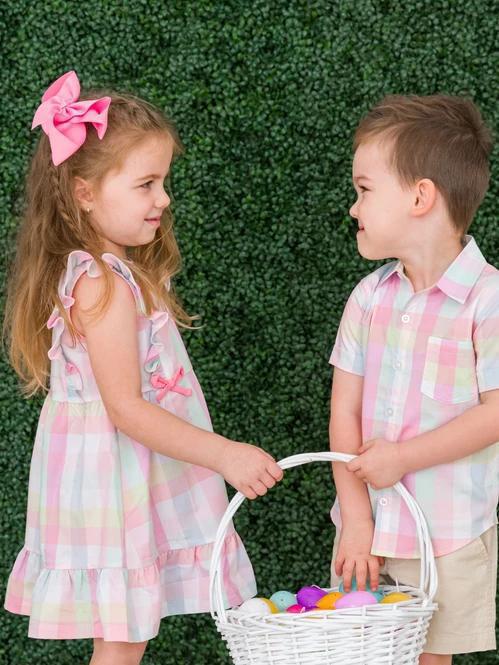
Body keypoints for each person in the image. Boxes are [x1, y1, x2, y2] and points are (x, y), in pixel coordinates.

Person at [3, 70, 283, 665]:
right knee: (125, 634)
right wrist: (224, 453)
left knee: (127, 631)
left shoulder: (101, 274)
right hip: (116, 479)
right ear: (84, 191)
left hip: (118, 473)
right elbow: (127, 408)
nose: (164, 198)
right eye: (146, 184)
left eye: (164, 182)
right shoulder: (103, 283)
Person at [328, 94, 498, 664]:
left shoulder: (489, 301)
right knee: (365, 653)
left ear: (421, 196)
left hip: (449, 533)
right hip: (369, 531)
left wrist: (403, 457)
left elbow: (496, 412)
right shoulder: (369, 298)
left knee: (429, 660)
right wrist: (355, 518)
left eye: (365, 190)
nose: (354, 207)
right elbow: (344, 415)